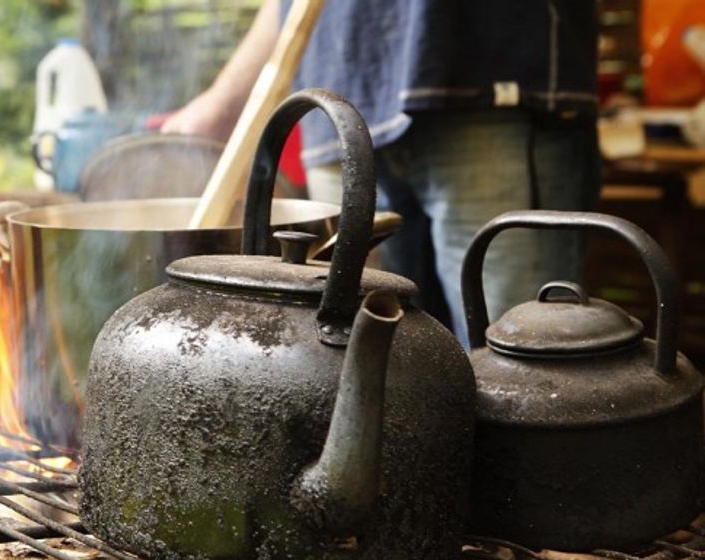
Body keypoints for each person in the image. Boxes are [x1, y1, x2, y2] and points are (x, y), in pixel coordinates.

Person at [162, 0, 601, 345]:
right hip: (339, 109)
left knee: (519, 362)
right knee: (356, 366)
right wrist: (221, 102)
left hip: (488, 86)